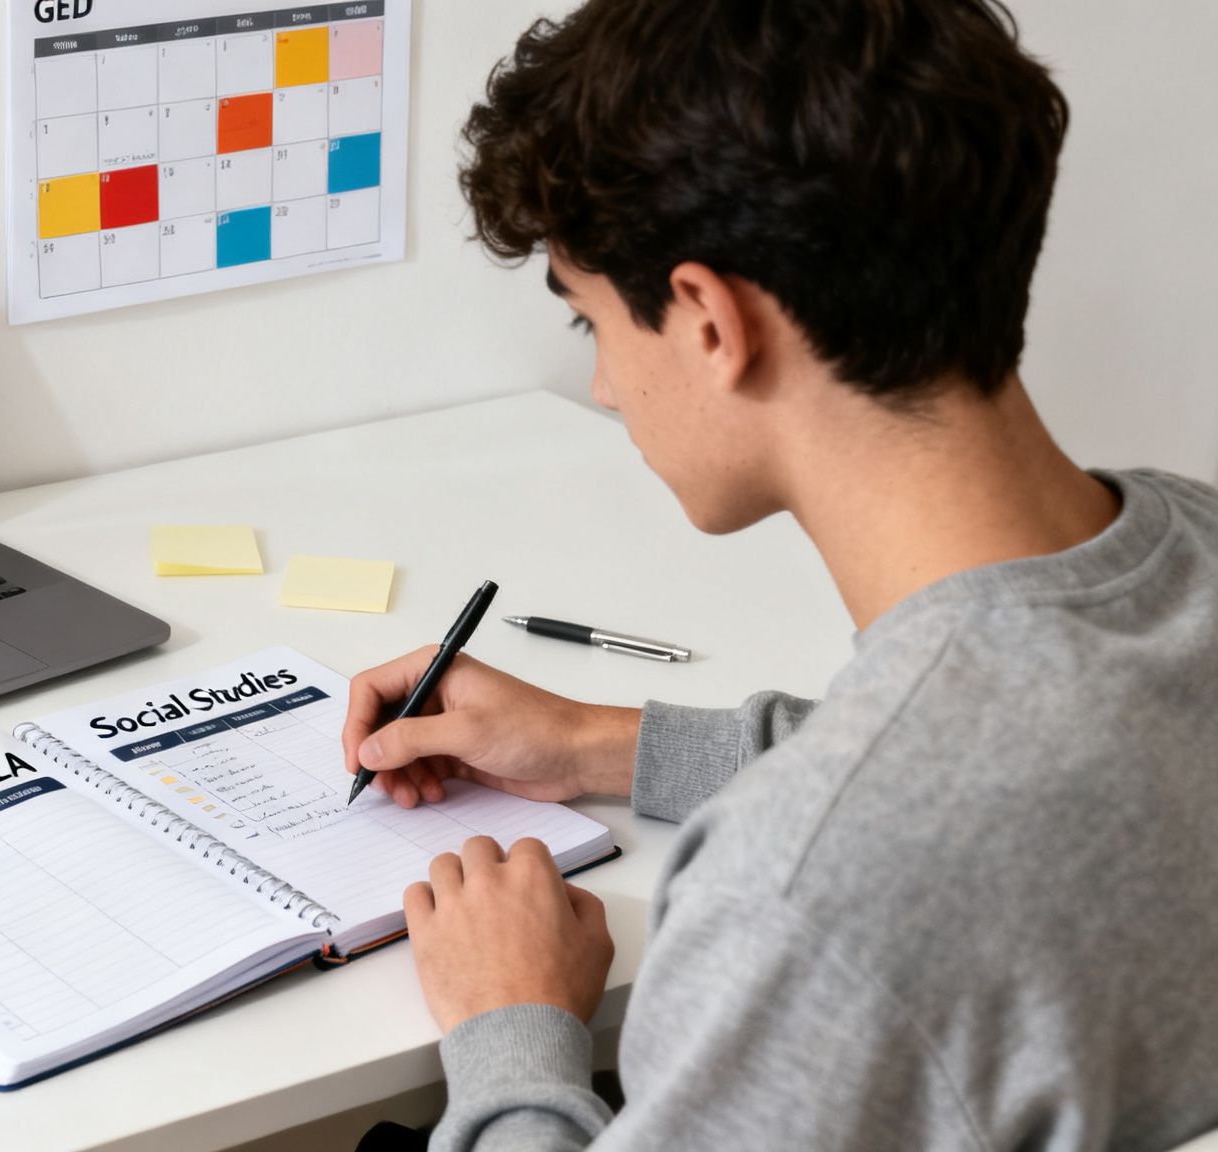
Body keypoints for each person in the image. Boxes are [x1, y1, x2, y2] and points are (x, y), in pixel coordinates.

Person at [341, 1, 1218, 1148]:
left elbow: (887, 833)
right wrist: (601, 742)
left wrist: (512, 1028)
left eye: (590, 325)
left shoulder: (802, 901)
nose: (604, 388)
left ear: (708, 320)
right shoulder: (1188, 543)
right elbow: (1022, 764)